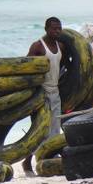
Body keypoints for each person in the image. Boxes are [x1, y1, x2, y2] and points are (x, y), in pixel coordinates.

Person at [22, 17, 66, 175]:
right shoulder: (38, 46)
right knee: (39, 130)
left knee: (55, 129)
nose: (57, 31)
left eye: (59, 28)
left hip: (55, 92)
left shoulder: (60, 46)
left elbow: (64, 65)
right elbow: (27, 67)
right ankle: (26, 164)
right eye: (54, 28)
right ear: (46, 29)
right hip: (40, 94)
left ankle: (49, 163)